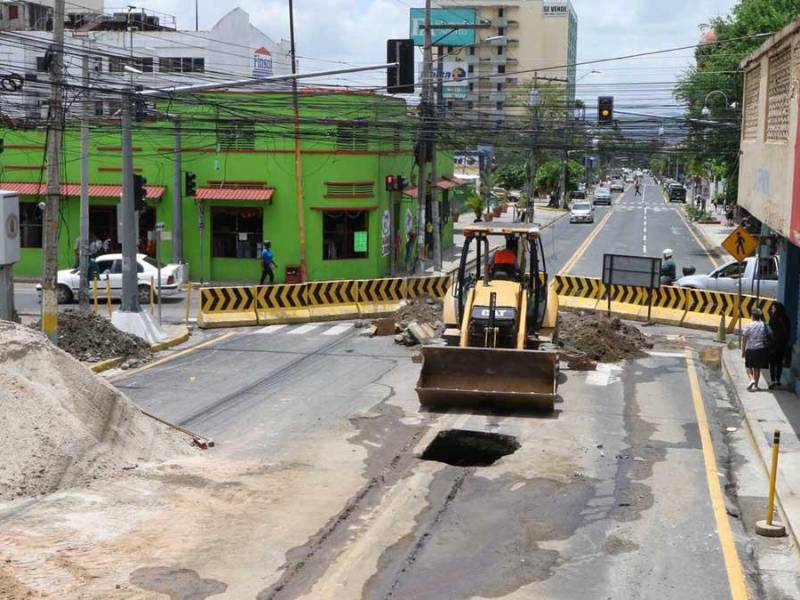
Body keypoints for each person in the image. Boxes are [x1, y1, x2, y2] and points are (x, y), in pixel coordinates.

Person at [742, 308, 771, 391]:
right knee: (757, 368)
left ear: (753, 316)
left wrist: (743, 350)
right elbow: (770, 334)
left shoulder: (749, 326)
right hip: (761, 349)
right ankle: (756, 386)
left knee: (748, 366)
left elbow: (744, 339)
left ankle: (751, 379)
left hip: (751, 349)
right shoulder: (764, 325)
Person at [768, 303, 791, 389]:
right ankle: (778, 380)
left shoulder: (773, 319)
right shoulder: (786, 319)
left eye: (773, 309)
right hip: (783, 345)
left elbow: (770, 332)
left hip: (773, 345)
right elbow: (788, 332)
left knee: (772, 363)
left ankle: (772, 381)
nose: (772, 310)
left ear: (776, 309)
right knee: (779, 362)